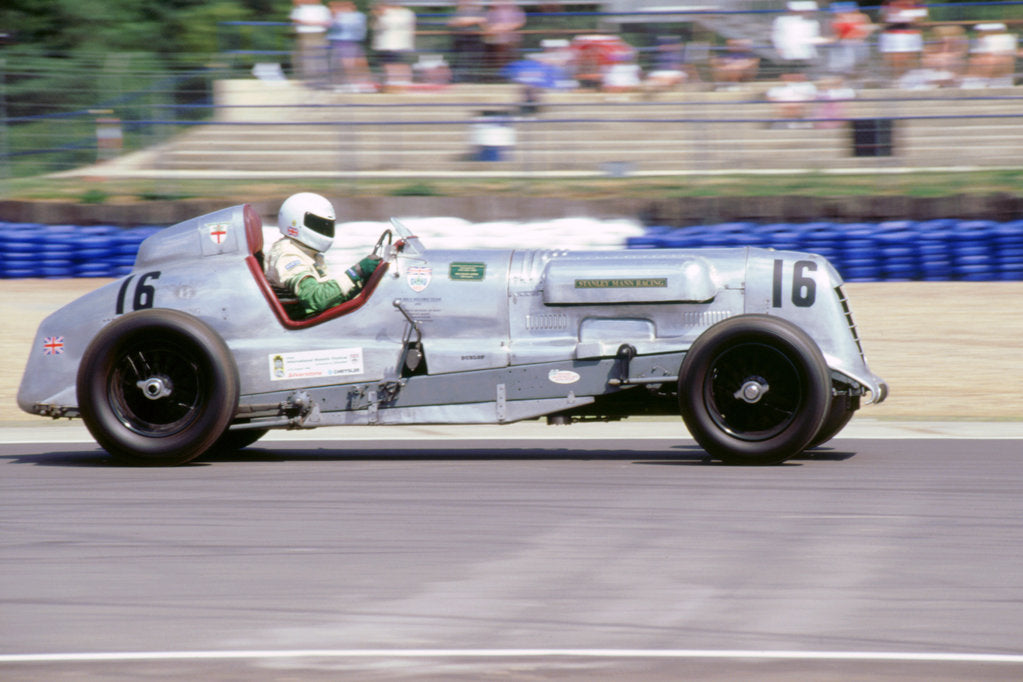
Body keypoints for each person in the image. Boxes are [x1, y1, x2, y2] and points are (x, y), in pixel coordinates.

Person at [265, 193, 381, 318]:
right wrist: (357, 271)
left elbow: (330, 298)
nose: (324, 230)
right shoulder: (287, 254)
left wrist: (361, 282)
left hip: (316, 324)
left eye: (327, 226)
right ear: (295, 222)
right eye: (319, 225)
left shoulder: (307, 252)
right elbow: (317, 299)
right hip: (303, 327)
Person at [371, 1, 416, 91]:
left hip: (395, 43)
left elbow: (386, 25)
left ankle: (400, 83)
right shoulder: (405, 13)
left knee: (396, 63)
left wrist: (380, 15)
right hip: (389, 44)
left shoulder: (403, 13)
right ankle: (395, 83)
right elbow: (375, 27)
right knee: (390, 63)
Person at [327, 1, 371, 90]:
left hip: (353, 41)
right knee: (346, 64)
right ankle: (349, 82)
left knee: (359, 63)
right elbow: (331, 26)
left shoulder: (358, 16)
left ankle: (363, 82)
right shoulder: (336, 16)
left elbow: (354, 27)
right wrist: (335, 16)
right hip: (341, 42)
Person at [290, 0, 332, 83]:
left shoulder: (322, 9)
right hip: (306, 35)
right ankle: (310, 78)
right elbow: (296, 20)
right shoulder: (301, 8)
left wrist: (309, 23)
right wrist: (317, 23)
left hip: (317, 34)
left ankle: (318, 79)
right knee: (307, 57)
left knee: (316, 57)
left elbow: (328, 22)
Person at [448, 0, 487, 83]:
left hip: (475, 40)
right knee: (462, 63)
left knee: (472, 63)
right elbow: (453, 22)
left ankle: (468, 82)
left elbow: (485, 24)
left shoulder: (478, 10)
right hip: (462, 39)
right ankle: (459, 82)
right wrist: (476, 20)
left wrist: (468, 21)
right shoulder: (459, 10)